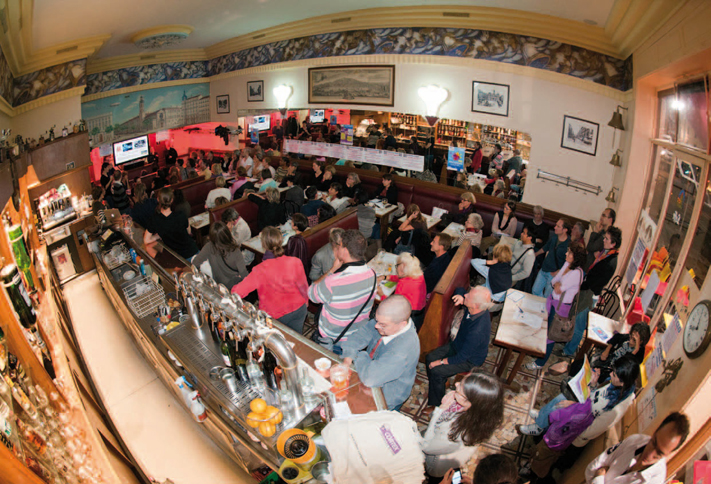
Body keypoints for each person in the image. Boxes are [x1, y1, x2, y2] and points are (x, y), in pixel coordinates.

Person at [519, 354, 639, 437]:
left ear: (623, 381)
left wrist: (573, 405)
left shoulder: (616, 406)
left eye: (615, 374)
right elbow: (595, 396)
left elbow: (591, 418)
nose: (611, 374)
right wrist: (594, 384)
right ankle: (542, 417)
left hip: (581, 421)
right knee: (562, 397)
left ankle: (539, 426)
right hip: (583, 405)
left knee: (559, 404)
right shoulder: (615, 384)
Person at [421, 371, 505, 481]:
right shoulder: (486, 412)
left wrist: (439, 411)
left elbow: (427, 447)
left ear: (470, 402)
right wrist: (450, 399)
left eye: (460, 387)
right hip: (451, 451)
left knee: (438, 479)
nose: (456, 384)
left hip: (436, 462)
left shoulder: (456, 433)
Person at [340, 295, 419, 410]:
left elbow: (370, 378)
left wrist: (359, 354)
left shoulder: (402, 351)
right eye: (377, 321)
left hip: (385, 398)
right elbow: (362, 334)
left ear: (402, 324)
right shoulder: (388, 321)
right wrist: (347, 360)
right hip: (370, 376)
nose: (376, 326)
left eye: (382, 324)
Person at [308, 230, 377, 351]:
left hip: (334, 338)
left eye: (339, 245)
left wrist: (331, 270)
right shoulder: (372, 274)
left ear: (345, 250)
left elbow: (311, 294)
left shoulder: (333, 281)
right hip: (358, 334)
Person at [232, 227, 309, 334]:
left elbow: (237, 292)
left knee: (275, 343)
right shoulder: (295, 261)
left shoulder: (259, 270)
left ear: (263, 245)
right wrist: (306, 301)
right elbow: (303, 286)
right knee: (296, 340)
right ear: (281, 241)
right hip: (298, 309)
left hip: (274, 317)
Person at [425, 286, 492, 407]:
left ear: (476, 305)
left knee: (436, 370)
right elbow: (460, 289)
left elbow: (461, 357)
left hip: (469, 360)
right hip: (458, 345)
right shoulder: (476, 307)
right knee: (429, 358)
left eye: (468, 296)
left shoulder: (478, 331)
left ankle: (436, 404)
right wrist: (460, 296)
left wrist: (439, 362)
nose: (466, 295)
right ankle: (439, 383)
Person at [562, 226, 622, 357]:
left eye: (607, 239)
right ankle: (567, 343)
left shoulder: (610, 261)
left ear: (613, 244)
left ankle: (569, 351)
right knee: (575, 317)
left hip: (590, 293)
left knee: (579, 324)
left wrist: (584, 285)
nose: (604, 240)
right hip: (586, 289)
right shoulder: (606, 253)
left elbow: (598, 282)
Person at [526, 243, 586, 370]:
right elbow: (554, 282)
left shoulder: (576, 273)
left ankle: (540, 363)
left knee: (551, 335)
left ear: (575, 257)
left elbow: (559, 289)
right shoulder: (567, 264)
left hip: (560, 307)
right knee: (544, 328)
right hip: (553, 301)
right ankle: (538, 351)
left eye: (569, 252)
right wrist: (557, 284)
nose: (566, 253)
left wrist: (558, 284)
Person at [585, 412, 690, 484]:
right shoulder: (635, 440)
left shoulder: (655, 480)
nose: (649, 455)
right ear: (655, 432)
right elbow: (593, 467)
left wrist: (598, 477)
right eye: (653, 442)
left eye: (659, 453)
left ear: (668, 454)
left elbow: (598, 471)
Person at [144, 188, 199, 261]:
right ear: (172, 200)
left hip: (177, 258)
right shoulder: (181, 215)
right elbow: (189, 232)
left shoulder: (155, 220)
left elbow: (146, 240)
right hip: (192, 252)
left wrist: (158, 236)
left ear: (158, 199)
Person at [378, 252, 427, 329]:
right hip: (420, 314)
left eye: (397, 265)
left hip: (409, 319)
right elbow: (405, 277)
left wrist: (381, 294)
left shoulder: (403, 284)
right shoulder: (419, 275)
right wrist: (386, 277)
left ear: (403, 267)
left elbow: (392, 307)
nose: (396, 268)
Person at [192, 222, 248, 287]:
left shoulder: (208, 247)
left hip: (218, 285)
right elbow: (244, 275)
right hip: (234, 286)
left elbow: (195, 263)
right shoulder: (235, 251)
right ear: (227, 234)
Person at [532, 218, 571, 298]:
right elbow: (546, 247)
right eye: (556, 225)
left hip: (554, 274)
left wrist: (558, 272)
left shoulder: (569, 244)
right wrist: (535, 254)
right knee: (535, 291)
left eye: (558, 226)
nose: (555, 227)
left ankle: (543, 305)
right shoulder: (554, 237)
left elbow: (569, 263)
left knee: (547, 296)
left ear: (565, 230)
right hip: (544, 268)